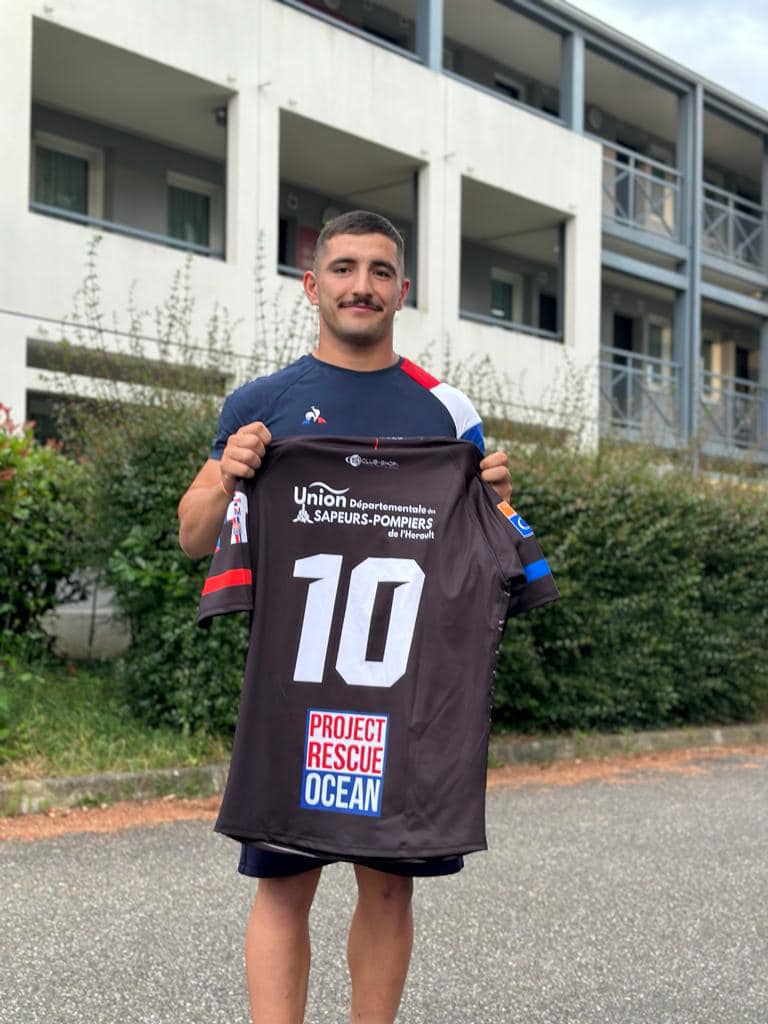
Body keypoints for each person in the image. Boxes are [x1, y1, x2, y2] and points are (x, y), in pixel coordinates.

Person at [178, 210, 513, 1024]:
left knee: (389, 886)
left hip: (405, 693)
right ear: (312, 285)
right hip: (295, 688)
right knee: (283, 885)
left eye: (379, 271)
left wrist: (497, 502)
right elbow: (192, 536)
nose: (361, 286)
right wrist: (228, 474)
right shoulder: (264, 402)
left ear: (403, 289)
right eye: (343, 268)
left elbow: (493, 553)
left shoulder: (447, 410)